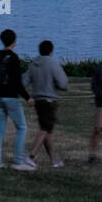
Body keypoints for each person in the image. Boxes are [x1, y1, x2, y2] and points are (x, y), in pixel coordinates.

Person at [0, 29, 35, 170]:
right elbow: (17, 82)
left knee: (0, 130)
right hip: (10, 97)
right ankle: (18, 161)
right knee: (21, 127)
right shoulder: (14, 58)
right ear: (14, 41)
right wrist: (27, 97)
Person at [27, 39, 69, 167]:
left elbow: (24, 81)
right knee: (45, 129)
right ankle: (31, 156)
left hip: (38, 101)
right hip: (50, 101)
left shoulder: (33, 64)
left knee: (46, 131)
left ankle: (53, 160)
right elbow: (63, 84)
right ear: (51, 52)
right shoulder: (53, 64)